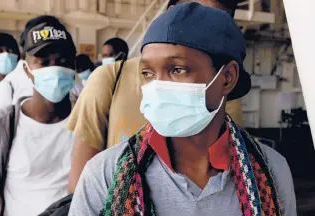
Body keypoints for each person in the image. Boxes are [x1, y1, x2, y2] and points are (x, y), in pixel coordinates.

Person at [69, 3, 297, 216]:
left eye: (177, 69)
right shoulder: (106, 173)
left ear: (227, 78)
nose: (157, 86)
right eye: (147, 73)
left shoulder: (270, 172)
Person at [66, 0, 247, 194]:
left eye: (214, 22)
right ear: (170, 13)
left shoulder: (222, 95)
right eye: (147, 73)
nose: (200, 26)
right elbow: (80, 187)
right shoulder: (109, 79)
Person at [0, 15, 77, 216]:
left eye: (62, 62)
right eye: (43, 62)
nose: (54, 69)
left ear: (74, 68)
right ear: (26, 70)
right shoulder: (1, 126)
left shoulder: (90, 121)